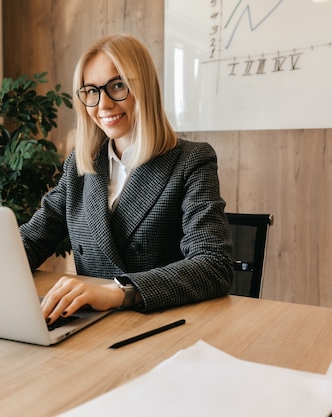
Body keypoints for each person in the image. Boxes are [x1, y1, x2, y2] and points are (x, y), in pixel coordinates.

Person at [19, 34, 233, 326]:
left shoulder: (191, 160)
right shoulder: (80, 166)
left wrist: (119, 291)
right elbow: (32, 240)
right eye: (91, 91)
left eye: (117, 86)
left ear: (143, 87)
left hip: (159, 328)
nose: (103, 104)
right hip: (88, 328)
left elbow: (213, 265)